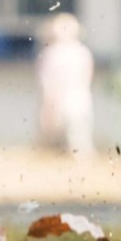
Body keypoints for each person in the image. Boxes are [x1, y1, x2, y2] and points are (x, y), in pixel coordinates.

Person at [36, 13, 95, 155]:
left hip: (67, 103)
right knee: (78, 146)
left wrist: (48, 107)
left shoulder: (52, 53)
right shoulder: (82, 52)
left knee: (67, 147)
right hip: (78, 102)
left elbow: (47, 84)